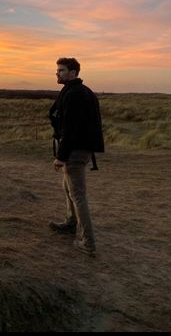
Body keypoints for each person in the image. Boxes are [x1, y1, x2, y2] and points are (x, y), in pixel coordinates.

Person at [49, 57, 104, 255]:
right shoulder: (76, 91)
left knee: (78, 195)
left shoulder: (76, 94)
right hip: (78, 148)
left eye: (61, 70)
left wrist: (61, 156)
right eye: (58, 70)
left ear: (73, 73)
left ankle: (89, 244)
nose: (57, 73)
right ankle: (70, 223)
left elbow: (72, 129)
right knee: (67, 188)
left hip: (75, 150)